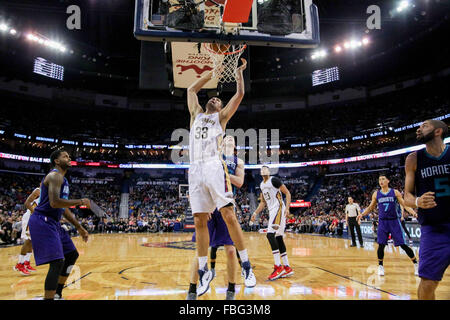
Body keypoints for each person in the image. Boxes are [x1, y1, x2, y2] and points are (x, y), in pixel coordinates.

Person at [187, 58, 256, 294]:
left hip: (213, 165)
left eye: (218, 99)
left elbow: (239, 94)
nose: (215, 99)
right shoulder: (195, 113)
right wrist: (212, 72)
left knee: (228, 213)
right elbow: (191, 89)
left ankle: (246, 264)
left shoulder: (222, 118)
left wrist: (237, 73)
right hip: (194, 168)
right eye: (214, 98)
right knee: (199, 221)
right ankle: (204, 270)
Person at [187, 136, 245, 300]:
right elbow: (198, 182)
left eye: (233, 139)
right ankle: (192, 289)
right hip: (209, 208)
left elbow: (240, 182)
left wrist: (223, 173)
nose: (229, 140)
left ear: (235, 146)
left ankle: (231, 289)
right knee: (200, 252)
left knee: (232, 251)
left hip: (226, 206)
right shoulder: (209, 158)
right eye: (226, 138)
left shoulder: (238, 161)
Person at [28, 150, 91, 300]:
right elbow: (54, 202)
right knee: (57, 261)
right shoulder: (55, 176)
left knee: (71, 254)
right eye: (65, 156)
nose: (69, 158)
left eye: (69, 156)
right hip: (43, 220)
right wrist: (80, 201)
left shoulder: (63, 179)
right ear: (56, 161)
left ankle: (57, 293)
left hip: (53, 222)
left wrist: (79, 227)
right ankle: (48, 298)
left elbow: (62, 208)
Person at [404, 119, 449, 300]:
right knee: (428, 282)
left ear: (438, 131)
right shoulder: (414, 158)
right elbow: (406, 195)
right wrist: (418, 201)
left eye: (425, 126)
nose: (419, 129)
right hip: (434, 229)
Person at [357, 174, 418, 277]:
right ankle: (380, 266)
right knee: (381, 245)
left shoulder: (395, 192)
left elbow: (404, 205)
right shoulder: (376, 194)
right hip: (382, 222)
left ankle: (416, 264)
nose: (381, 181)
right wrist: (362, 214)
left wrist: (414, 213)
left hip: (394, 221)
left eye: (383, 179)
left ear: (388, 181)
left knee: (403, 245)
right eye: (379, 179)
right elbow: (371, 207)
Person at [250, 166, 293, 281]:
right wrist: (255, 213)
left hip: (279, 208)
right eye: (262, 169)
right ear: (260, 173)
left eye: (266, 169)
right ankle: (287, 267)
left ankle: (278, 267)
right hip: (272, 210)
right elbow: (263, 202)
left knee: (270, 235)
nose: (264, 171)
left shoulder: (274, 180)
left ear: (269, 172)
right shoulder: (261, 185)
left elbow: (287, 193)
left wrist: (287, 208)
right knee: (278, 238)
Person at [14, 187, 40, 276]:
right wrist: (36, 214)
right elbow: (26, 203)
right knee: (28, 240)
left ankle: (26, 263)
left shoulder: (47, 194)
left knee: (32, 241)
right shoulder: (38, 191)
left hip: (36, 218)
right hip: (30, 217)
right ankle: (19, 264)